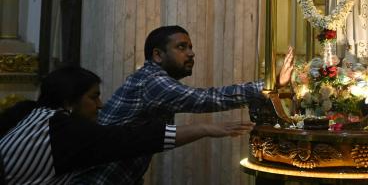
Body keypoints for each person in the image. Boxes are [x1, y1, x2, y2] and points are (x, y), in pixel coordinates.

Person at [70, 25, 295, 184]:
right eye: (182, 47)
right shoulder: (152, 81)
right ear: (157, 55)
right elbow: (205, 99)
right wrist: (268, 84)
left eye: (190, 47)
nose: (191, 53)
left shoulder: (152, 78)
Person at [0, 66, 252, 185]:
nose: (100, 105)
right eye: (93, 97)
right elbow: (130, 139)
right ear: (69, 101)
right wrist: (204, 129)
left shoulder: (31, 112)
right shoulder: (64, 129)